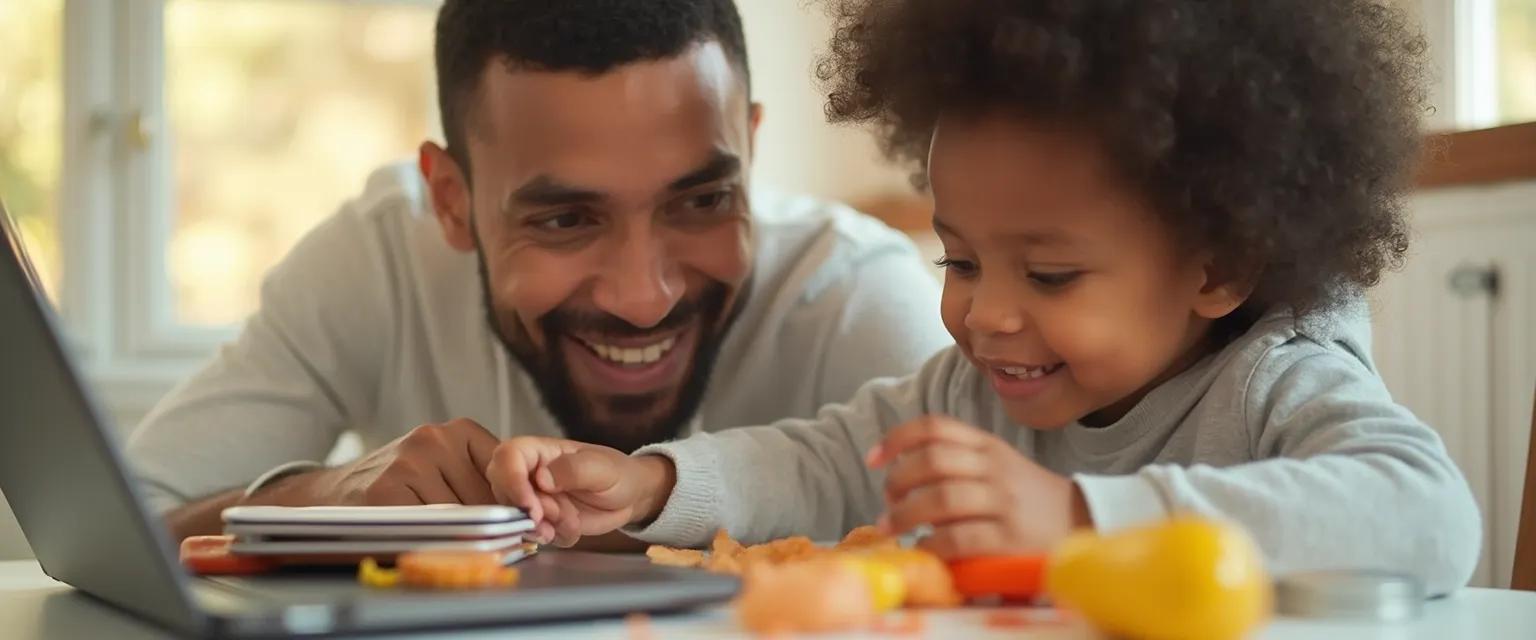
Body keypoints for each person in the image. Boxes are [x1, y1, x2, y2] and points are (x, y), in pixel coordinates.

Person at [481, 0, 1483, 593]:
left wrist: (1080, 517)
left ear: (1218, 266)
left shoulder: (1277, 384)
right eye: (959, 261)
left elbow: (1428, 517)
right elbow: (826, 465)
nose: (986, 316)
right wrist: (650, 485)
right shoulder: (971, 392)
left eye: (1049, 274)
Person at [126, 0, 951, 543]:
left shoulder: (854, 296)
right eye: (565, 220)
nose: (641, 298)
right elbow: (121, 526)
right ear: (452, 200)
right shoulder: (378, 261)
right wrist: (321, 503)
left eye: (700, 201)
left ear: (752, 151)